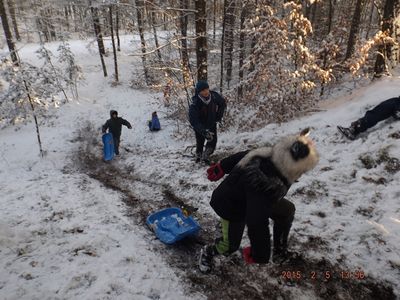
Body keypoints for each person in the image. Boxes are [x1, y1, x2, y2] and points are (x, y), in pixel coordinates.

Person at [198, 129, 319, 273]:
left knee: (287, 211)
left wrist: (223, 166)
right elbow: (256, 221)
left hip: (253, 198)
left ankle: (279, 251)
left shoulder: (274, 155)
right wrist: (260, 253)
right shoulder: (266, 184)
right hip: (232, 206)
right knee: (229, 246)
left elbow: (247, 154)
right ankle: (208, 252)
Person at [189, 81, 226, 164]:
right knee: (200, 141)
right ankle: (199, 155)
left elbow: (222, 103)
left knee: (212, 141)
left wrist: (218, 116)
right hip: (200, 126)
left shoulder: (214, 96)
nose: (205, 92)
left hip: (211, 123)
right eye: (203, 90)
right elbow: (193, 121)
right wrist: (203, 131)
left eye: (206, 89)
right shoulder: (195, 103)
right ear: (199, 92)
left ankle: (207, 155)